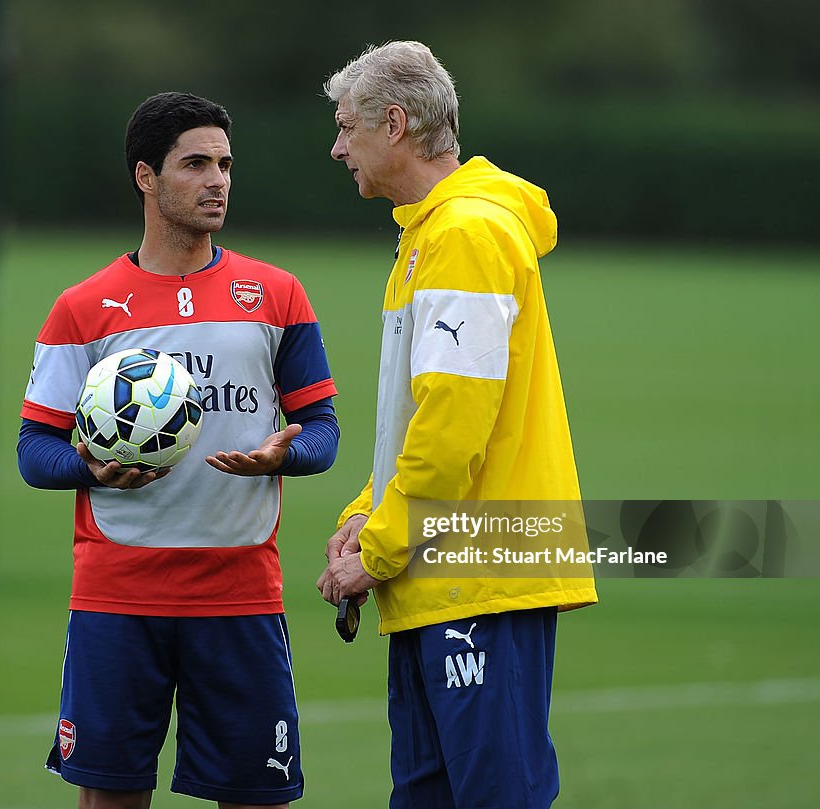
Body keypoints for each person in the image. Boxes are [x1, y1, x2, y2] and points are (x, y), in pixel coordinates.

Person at [19, 92, 339, 809]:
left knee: (257, 797)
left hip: (239, 594)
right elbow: (34, 448)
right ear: (146, 176)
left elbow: (322, 429)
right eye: (195, 164)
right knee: (110, 798)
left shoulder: (278, 294)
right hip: (117, 595)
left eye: (225, 164)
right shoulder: (84, 306)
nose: (217, 180)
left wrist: (283, 456)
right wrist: (88, 467)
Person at [315, 42, 598, 809]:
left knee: (493, 796)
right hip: (445, 574)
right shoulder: (429, 233)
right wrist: (366, 512)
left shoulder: (464, 235)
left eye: (347, 126)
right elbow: (424, 421)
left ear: (395, 123)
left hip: (483, 575)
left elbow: (453, 423)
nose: (338, 146)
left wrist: (377, 546)